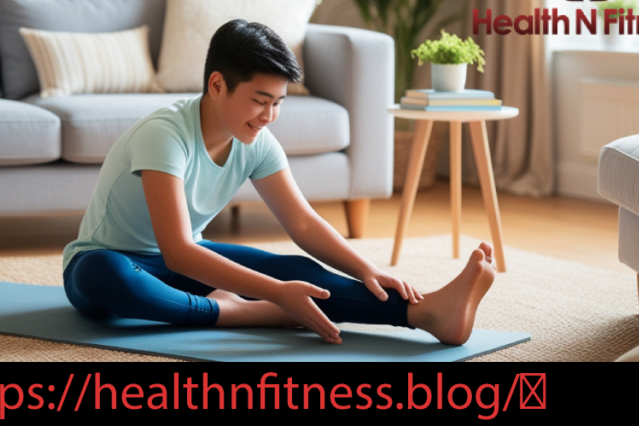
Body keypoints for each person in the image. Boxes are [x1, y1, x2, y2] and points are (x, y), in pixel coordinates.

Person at [62, 19, 496, 345]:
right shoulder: (165, 135)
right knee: (106, 273)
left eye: (279, 103)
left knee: (296, 270)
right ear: (217, 85)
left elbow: (304, 225)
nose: (269, 116)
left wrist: (366, 269)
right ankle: (243, 314)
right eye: (259, 100)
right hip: (111, 262)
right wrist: (274, 298)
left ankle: (424, 314)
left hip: (188, 264)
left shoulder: (256, 141)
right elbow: (176, 251)